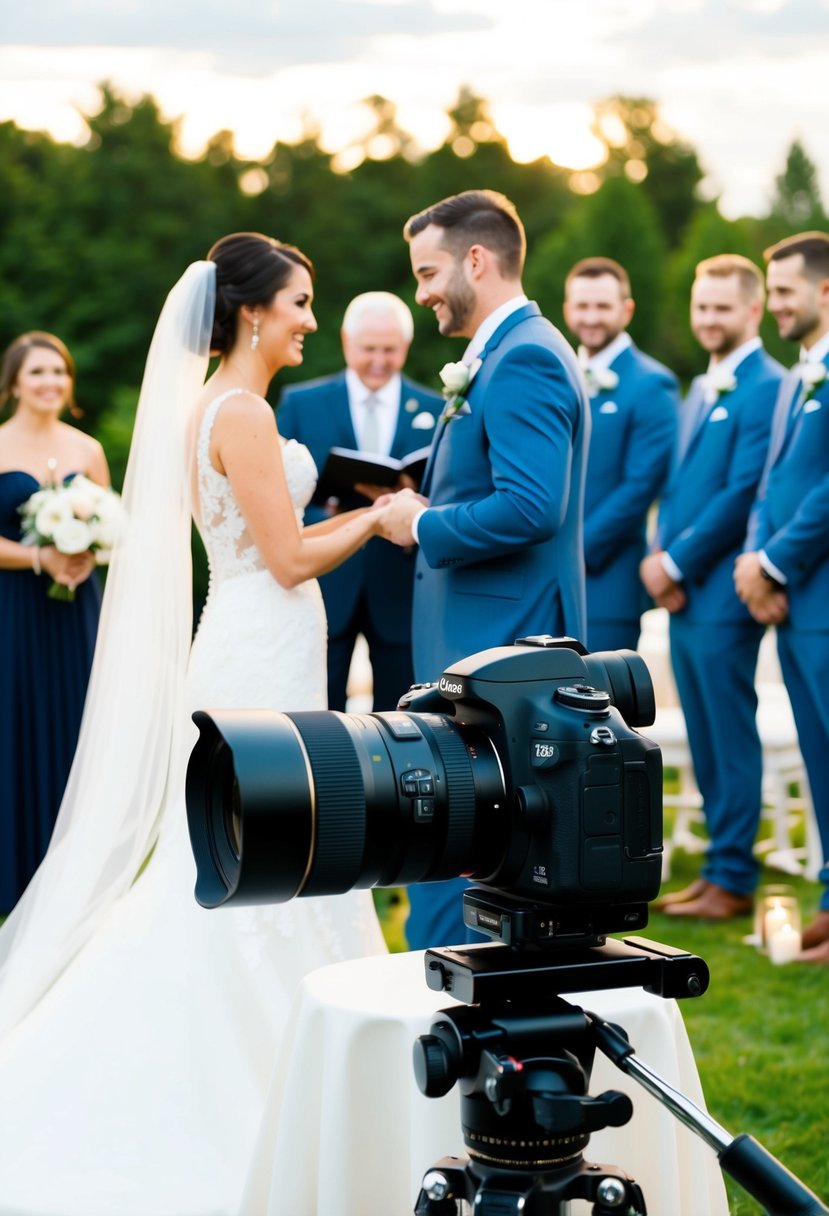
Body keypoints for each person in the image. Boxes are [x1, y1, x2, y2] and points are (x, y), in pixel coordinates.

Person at [0, 233, 387, 1214]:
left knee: (256, 847)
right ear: (254, 310)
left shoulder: (211, 407)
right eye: (301, 302)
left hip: (257, 642)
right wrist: (380, 516)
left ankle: (310, 1045)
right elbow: (290, 558)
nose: (310, 320)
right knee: (258, 851)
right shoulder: (242, 410)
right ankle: (246, 1069)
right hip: (260, 645)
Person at [379, 189, 589, 949]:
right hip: (477, 643)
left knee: (474, 842)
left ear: (477, 259)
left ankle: (448, 998)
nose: (423, 292)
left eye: (428, 272)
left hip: (504, 651)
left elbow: (534, 507)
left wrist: (423, 523)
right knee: (462, 841)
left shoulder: (525, 354)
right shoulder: (497, 352)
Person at [641, 254, 785, 920]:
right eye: (700, 307)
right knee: (701, 731)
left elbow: (741, 491)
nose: (708, 319)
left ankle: (732, 878)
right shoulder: (701, 387)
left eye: (721, 308)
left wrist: (675, 563)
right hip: (685, 591)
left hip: (723, 589)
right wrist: (659, 555)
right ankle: (714, 870)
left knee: (728, 731)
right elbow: (676, 488)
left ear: (752, 310)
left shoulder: (767, 385)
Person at [733, 232, 829, 959]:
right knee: (817, 753)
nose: (774, 306)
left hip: (820, 596)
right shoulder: (803, 375)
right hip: (798, 605)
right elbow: (774, 480)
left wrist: (774, 560)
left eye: (786, 291)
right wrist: (754, 558)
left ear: (824, 291)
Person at [277, 292, 441, 709]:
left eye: (390, 350)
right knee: (319, 714)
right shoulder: (301, 402)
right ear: (346, 340)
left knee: (402, 715)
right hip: (327, 579)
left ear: (406, 347)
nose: (378, 361)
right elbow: (277, 497)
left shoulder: (437, 408)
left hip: (402, 584)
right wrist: (331, 514)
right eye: (369, 349)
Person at [0, 332, 109, 912]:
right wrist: (41, 555)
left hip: (75, 611)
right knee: (16, 725)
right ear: (15, 381)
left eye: (59, 373)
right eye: (38, 372)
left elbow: (110, 519)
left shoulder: (86, 449)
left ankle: (75, 884)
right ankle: (16, 878)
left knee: (76, 728)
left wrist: (87, 552)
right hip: (13, 611)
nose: (50, 383)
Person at [563, 257, 678, 651]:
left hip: (607, 581)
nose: (591, 317)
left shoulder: (653, 383)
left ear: (626, 310)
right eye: (582, 306)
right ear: (567, 310)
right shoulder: (557, 377)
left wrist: (575, 550)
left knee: (600, 704)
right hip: (545, 581)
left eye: (602, 306)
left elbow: (641, 485)